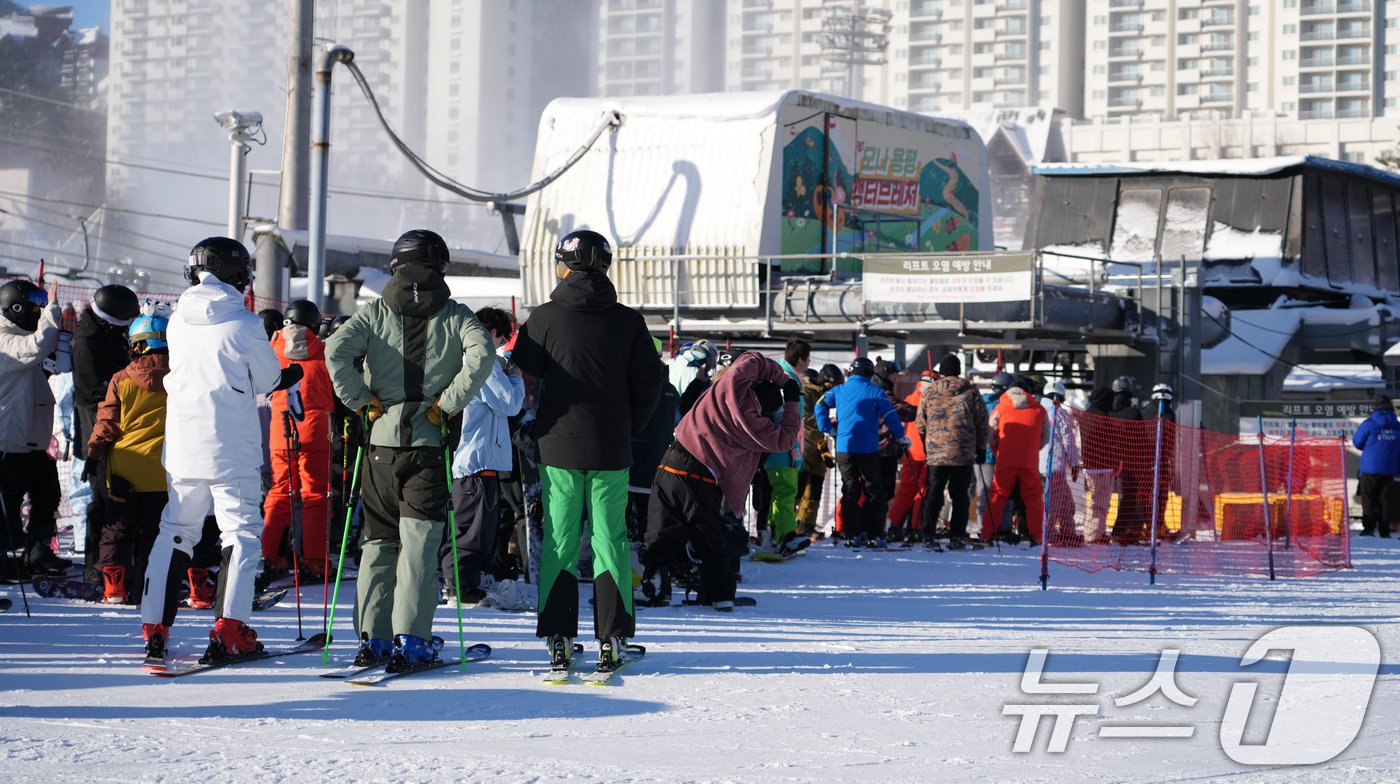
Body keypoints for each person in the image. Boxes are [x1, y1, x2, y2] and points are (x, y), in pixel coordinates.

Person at [326, 228, 494, 671]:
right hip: (428, 446)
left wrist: (362, 401)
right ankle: (412, 639)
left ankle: (373, 639)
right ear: (441, 265)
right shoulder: (458, 316)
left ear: (395, 266)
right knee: (419, 543)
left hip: (380, 446)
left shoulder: (373, 313)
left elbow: (335, 352)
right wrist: (448, 403)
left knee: (378, 542)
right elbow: (482, 355)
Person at [139, 237, 304, 665]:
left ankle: (155, 627)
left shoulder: (176, 321)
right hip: (230, 447)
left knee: (175, 531)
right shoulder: (246, 324)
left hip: (182, 446)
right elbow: (267, 379)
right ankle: (230, 630)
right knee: (239, 535)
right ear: (238, 274)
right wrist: (288, 377)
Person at [509, 228, 665, 672]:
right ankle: (612, 640)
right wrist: (628, 424)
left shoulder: (543, 318)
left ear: (564, 265)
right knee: (609, 540)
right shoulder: (628, 320)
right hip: (612, 446)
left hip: (557, 447)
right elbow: (651, 383)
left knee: (558, 540)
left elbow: (524, 376)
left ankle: (558, 638)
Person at [642, 351, 801, 609]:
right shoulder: (756, 426)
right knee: (709, 538)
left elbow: (752, 360)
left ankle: (655, 586)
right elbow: (786, 439)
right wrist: (792, 402)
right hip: (705, 477)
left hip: (674, 461)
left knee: (662, 531)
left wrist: (781, 379)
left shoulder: (730, 388)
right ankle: (720, 594)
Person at [439, 306, 525, 604]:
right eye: (501, 340)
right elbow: (509, 403)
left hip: (472, 457)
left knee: (472, 527)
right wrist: (515, 377)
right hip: (476, 458)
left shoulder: (462, 358)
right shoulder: (482, 362)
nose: (502, 347)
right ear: (490, 333)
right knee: (470, 529)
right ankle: (459, 586)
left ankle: (462, 582)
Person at [86, 308, 171, 603]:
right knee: (154, 533)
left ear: (138, 344)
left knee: (117, 529)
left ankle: (114, 587)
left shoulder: (121, 378)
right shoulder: (180, 378)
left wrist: (94, 454)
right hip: (163, 470)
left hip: (124, 470)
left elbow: (107, 423)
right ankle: (148, 588)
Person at [0, 278, 70, 578]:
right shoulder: (5, 337)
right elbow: (38, 346)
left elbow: (54, 361)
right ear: (17, 308)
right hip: (8, 441)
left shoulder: (19, 333)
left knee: (47, 493)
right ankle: (3, 559)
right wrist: (52, 309)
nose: (38, 312)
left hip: (31, 439)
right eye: (35, 307)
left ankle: (38, 550)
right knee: (7, 505)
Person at [261, 299, 335, 582]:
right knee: (315, 495)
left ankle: (271, 557)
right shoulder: (324, 350)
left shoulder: (273, 348)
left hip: (281, 429)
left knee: (279, 493)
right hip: (315, 430)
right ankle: (314, 561)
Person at [71, 284, 139, 582]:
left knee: (118, 495)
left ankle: (114, 561)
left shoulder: (107, 334)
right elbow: (91, 394)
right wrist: (126, 380)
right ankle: (95, 566)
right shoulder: (88, 342)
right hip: (96, 424)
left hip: (111, 422)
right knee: (102, 496)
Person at [815, 356, 906, 547]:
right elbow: (890, 415)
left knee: (850, 491)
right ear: (869, 373)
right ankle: (875, 535)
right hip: (868, 449)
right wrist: (901, 436)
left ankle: (851, 534)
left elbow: (819, 405)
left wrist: (828, 429)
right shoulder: (875, 391)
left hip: (844, 448)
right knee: (874, 491)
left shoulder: (839, 390)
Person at [916, 355, 988, 549]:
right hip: (962, 453)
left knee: (934, 493)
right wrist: (981, 448)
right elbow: (982, 421)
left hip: (936, 452)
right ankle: (957, 536)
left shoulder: (930, 391)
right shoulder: (971, 391)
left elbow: (920, 422)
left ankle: (928, 534)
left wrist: (926, 443)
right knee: (960, 495)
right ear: (959, 369)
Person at [757, 338, 811, 557]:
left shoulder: (777, 373)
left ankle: (773, 534)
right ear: (801, 359)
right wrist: (795, 449)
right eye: (808, 358)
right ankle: (785, 536)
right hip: (783, 446)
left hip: (774, 445)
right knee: (786, 491)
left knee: (778, 493)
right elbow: (790, 417)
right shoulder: (789, 380)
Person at [982, 380, 1049, 545]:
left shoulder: (1001, 407)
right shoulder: (1039, 410)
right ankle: (1036, 535)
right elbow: (1046, 436)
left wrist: (997, 448)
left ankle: (987, 534)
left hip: (1005, 460)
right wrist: (1034, 448)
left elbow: (990, 433)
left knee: (998, 496)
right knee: (1033, 499)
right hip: (1029, 462)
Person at [889, 370, 937, 542]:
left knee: (905, 490)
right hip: (930, 451)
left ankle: (894, 525)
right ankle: (915, 528)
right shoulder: (936, 399)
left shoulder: (911, 398)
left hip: (911, 451)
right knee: (922, 491)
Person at [796, 364, 840, 538]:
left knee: (815, 488)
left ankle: (807, 524)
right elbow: (804, 416)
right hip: (805, 444)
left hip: (819, 446)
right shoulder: (806, 392)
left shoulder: (824, 395)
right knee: (799, 488)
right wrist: (826, 418)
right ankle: (790, 524)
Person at [1352, 395, 1400, 538]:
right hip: (1390, 468)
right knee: (1385, 499)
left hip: (1370, 467)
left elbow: (1357, 442)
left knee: (1368, 498)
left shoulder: (1370, 423)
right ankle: (1385, 530)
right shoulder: (1397, 425)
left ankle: (1369, 529)